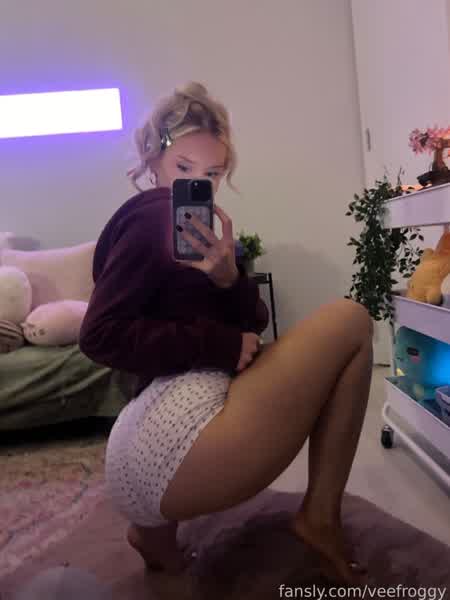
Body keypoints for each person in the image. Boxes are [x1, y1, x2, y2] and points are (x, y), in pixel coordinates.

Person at [79, 81, 374, 585]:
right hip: (172, 438)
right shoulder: (153, 216)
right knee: (352, 320)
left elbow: (252, 322)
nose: (198, 184)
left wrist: (227, 278)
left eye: (212, 173)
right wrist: (217, 343)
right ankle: (320, 516)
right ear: (153, 161)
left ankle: (155, 539)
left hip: (137, 448)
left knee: (305, 342)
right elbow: (99, 334)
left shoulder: (199, 237)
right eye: (184, 168)